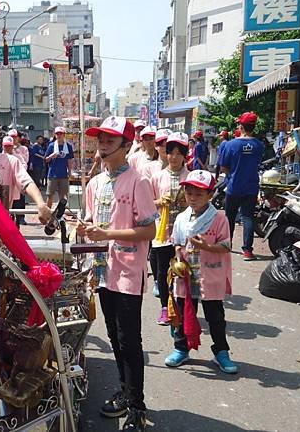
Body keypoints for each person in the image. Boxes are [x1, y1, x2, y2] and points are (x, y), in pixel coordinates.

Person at [78, 116, 158, 432]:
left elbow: (149, 229)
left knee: (129, 340)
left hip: (128, 272)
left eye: (111, 139)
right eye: (100, 138)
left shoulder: (138, 181)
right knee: (113, 336)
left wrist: (107, 234)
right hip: (101, 271)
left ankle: (137, 408)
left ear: (126, 145)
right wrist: (84, 229)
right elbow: (89, 224)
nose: (103, 143)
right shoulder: (95, 183)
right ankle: (126, 392)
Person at [165, 169, 236, 374]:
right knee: (184, 313)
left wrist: (206, 246)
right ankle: (181, 348)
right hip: (186, 275)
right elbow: (177, 242)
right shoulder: (181, 218)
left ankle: (221, 352)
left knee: (215, 317)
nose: (193, 198)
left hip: (210, 275)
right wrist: (178, 256)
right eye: (189, 193)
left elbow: (225, 246)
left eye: (199, 194)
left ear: (210, 195)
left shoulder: (219, 218)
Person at [150, 132, 189, 325]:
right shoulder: (157, 177)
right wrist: (159, 202)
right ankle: (165, 308)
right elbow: (148, 203)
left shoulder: (190, 177)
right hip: (161, 233)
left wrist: (186, 204)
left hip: (184, 235)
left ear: (184, 156)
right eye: (170, 152)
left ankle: (182, 308)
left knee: (183, 272)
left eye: (178, 153)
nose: (173, 157)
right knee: (162, 273)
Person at [220, 112, 264, 261]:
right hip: (251, 186)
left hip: (234, 186)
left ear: (241, 126)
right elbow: (257, 163)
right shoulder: (259, 145)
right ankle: (248, 251)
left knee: (230, 217)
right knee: (248, 218)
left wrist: (232, 173)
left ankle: (227, 245)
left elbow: (224, 167)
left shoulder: (231, 144)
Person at [0, 136, 51, 223]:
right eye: (5, 146)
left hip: (13, 195)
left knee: (17, 209)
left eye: (9, 146)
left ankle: (20, 220)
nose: (7, 148)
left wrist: (40, 204)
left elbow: (26, 181)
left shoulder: (14, 159)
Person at [45, 126, 74, 208]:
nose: (59, 135)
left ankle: (60, 215)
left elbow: (69, 160)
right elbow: (46, 160)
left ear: (64, 135)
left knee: (62, 196)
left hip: (63, 174)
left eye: (61, 133)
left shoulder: (68, 146)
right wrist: (51, 156)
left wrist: (69, 171)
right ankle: (48, 214)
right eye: (57, 134)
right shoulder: (51, 146)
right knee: (50, 195)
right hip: (52, 174)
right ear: (55, 135)